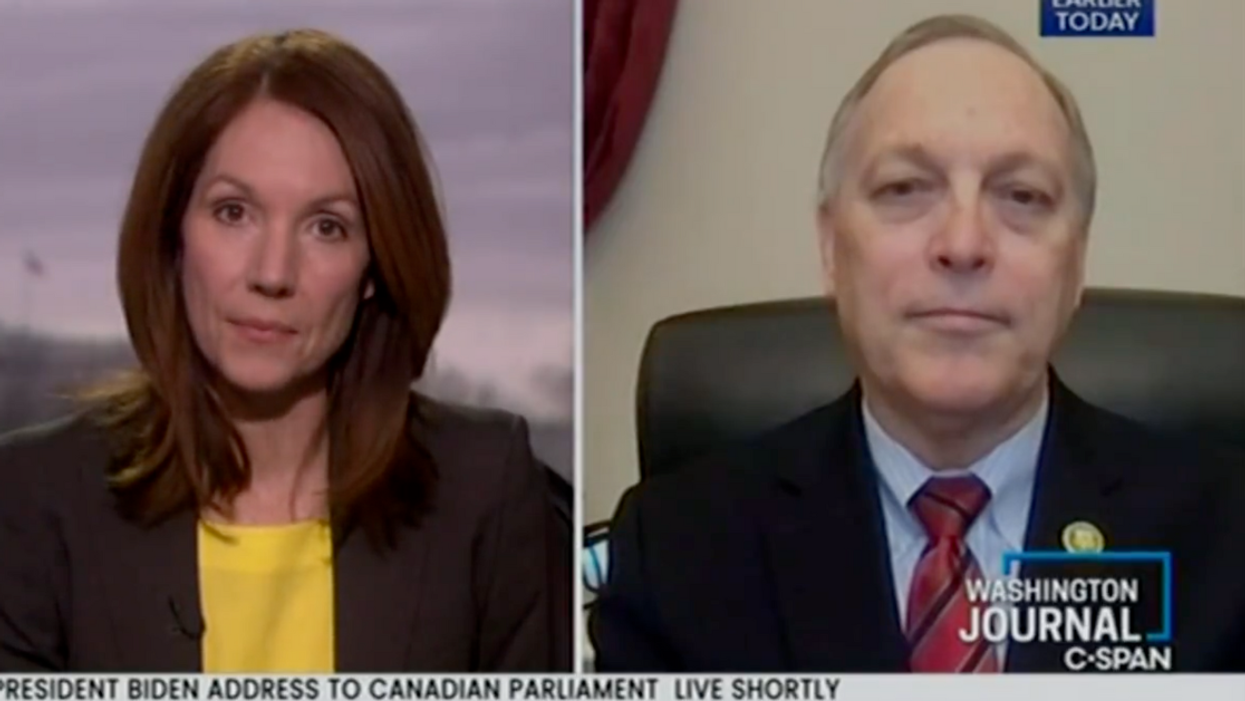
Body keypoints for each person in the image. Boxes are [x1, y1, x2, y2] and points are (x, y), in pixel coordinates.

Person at [590, 14, 1245, 672]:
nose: (962, 244)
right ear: (829, 246)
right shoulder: (678, 550)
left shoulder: (1226, 544)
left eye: (1021, 195)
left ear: (1075, 262)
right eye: (905, 189)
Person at [0, 29, 570, 672]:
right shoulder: (34, 500)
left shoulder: (484, 491)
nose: (273, 272)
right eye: (233, 212)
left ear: (375, 267)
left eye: (327, 227)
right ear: (173, 234)